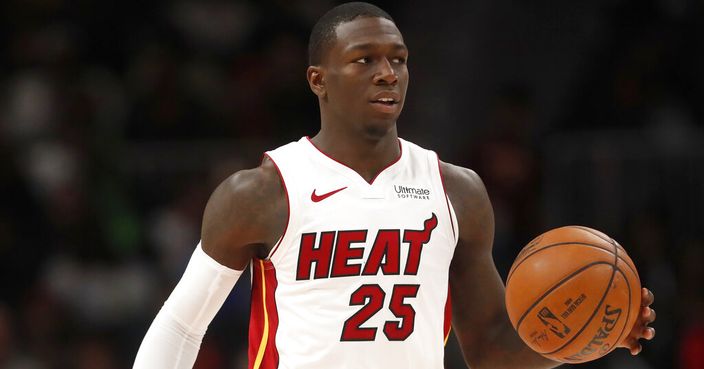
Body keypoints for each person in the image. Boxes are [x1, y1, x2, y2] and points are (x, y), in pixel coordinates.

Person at [132, 2, 656, 368]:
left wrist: (589, 334)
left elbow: (493, 347)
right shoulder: (262, 191)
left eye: (398, 60)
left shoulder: (457, 192)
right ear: (318, 79)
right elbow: (181, 326)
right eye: (365, 60)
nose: (388, 73)